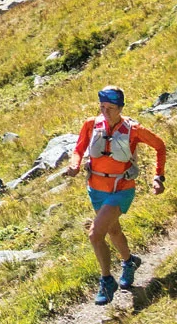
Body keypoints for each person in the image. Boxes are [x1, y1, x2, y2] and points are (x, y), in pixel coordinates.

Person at [68, 86, 167, 305]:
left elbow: (160, 146)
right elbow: (78, 149)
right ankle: (129, 262)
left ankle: (106, 280)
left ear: (120, 108)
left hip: (121, 189)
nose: (105, 112)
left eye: (111, 108)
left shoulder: (133, 129)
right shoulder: (91, 125)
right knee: (112, 230)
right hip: (96, 189)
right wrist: (74, 165)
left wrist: (158, 176)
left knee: (95, 234)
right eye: (102, 107)